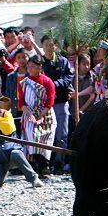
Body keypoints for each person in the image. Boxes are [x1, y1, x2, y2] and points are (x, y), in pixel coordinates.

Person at [0, 97, 43, 188]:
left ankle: (33, 178)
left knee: (16, 153)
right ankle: (4, 172)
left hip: (11, 153)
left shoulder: (5, 114)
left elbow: (8, 130)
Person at [18, 55, 56, 176]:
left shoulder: (47, 82)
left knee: (45, 139)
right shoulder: (24, 83)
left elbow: (50, 101)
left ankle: (45, 165)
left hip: (45, 114)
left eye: (33, 66)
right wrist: (29, 114)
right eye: (29, 66)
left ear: (40, 67)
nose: (30, 68)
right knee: (32, 137)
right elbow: (21, 103)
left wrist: (40, 116)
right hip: (29, 113)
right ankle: (34, 167)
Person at [41, 35, 73, 174]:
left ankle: (59, 162)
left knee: (62, 134)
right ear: (42, 45)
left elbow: (69, 76)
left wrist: (55, 84)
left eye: (52, 44)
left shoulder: (63, 61)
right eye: (46, 44)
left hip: (60, 101)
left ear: (56, 46)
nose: (49, 47)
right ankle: (45, 164)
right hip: (44, 104)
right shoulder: (39, 62)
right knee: (45, 135)